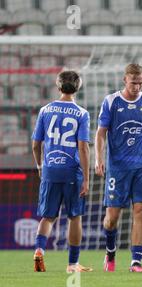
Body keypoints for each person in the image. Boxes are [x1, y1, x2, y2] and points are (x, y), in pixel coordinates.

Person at [95, 63, 142, 273]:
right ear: (125, 80)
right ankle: (110, 251)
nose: (137, 87)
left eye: (141, 83)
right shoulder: (111, 101)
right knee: (112, 218)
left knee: (141, 211)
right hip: (118, 168)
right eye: (134, 82)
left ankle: (136, 261)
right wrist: (99, 158)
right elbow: (100, 133)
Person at [32, 70, 92, 273]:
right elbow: (83, 147)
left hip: (49, 169)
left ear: (58, 87)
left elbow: (35, 144)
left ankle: (39, 251)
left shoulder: (45, 110)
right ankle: (72, 264)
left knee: (48, 217)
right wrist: (86, 178)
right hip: (71, 171)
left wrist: (40, 166)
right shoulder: (82, 113)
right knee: (74, 217)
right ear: (78, 87)